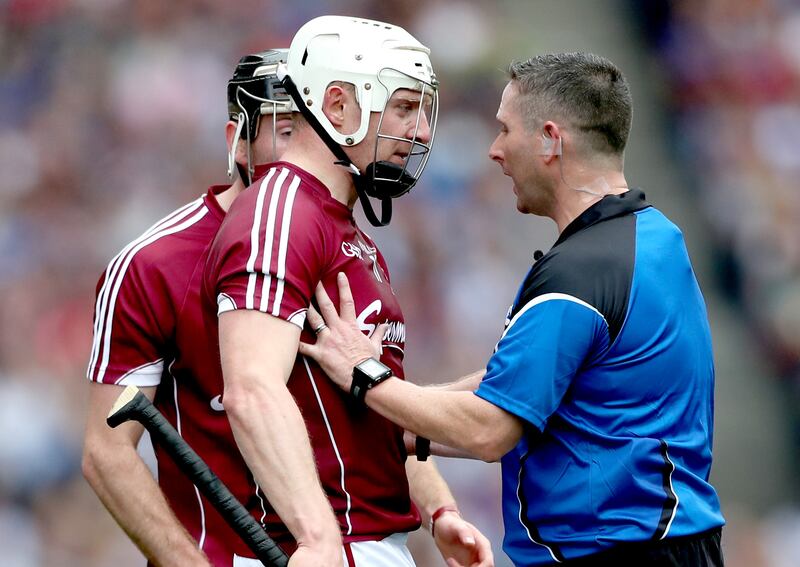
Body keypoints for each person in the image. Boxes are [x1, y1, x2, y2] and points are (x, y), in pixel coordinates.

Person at [298, 52, 727, 566]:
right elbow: (521, 385)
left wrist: (365, 376)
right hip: (671, 545)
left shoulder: (581, 274)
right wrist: (400, 415)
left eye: (504, 129)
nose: (494, 151)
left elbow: (489, 429)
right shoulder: (654, 237)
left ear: (550, 139)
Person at [203, 15, 492, 567]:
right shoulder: (282, 210)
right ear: (337, 105)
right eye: (405, 107)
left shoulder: (343, 227)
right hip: (332, 545)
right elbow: (252, 390)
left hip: (367, 541)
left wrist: (439, 512)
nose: (423, 131)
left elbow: (371, 417)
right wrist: (317, 539)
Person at [83, 49, 294, 566]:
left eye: (319, 131)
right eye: (286, 130)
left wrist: (439, 506)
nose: (306, 150)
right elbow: (107, 451)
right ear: (236, 142)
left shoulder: (347, 253)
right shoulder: (153, 265)